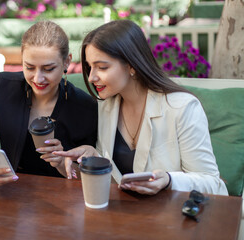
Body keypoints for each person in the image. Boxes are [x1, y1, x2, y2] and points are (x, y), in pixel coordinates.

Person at [54, 20, 228, 196]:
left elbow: (214, 185)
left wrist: (169, 180)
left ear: (131, 65)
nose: (91, 77)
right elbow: (116, 181)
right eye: (90, 67)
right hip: (125, 217)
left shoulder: (183, 108)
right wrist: (94, 157)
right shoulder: (105, 108)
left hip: (174, 217)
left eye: (102, 67)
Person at [0, 21, 97, 187]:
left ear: (66, 62)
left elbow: (91, 176)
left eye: (48, 69)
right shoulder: (2, 86)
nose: (38, 78)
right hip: (11, 192)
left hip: (62, 198)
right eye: (29, 67)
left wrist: (62, 164)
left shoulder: (85, 106)